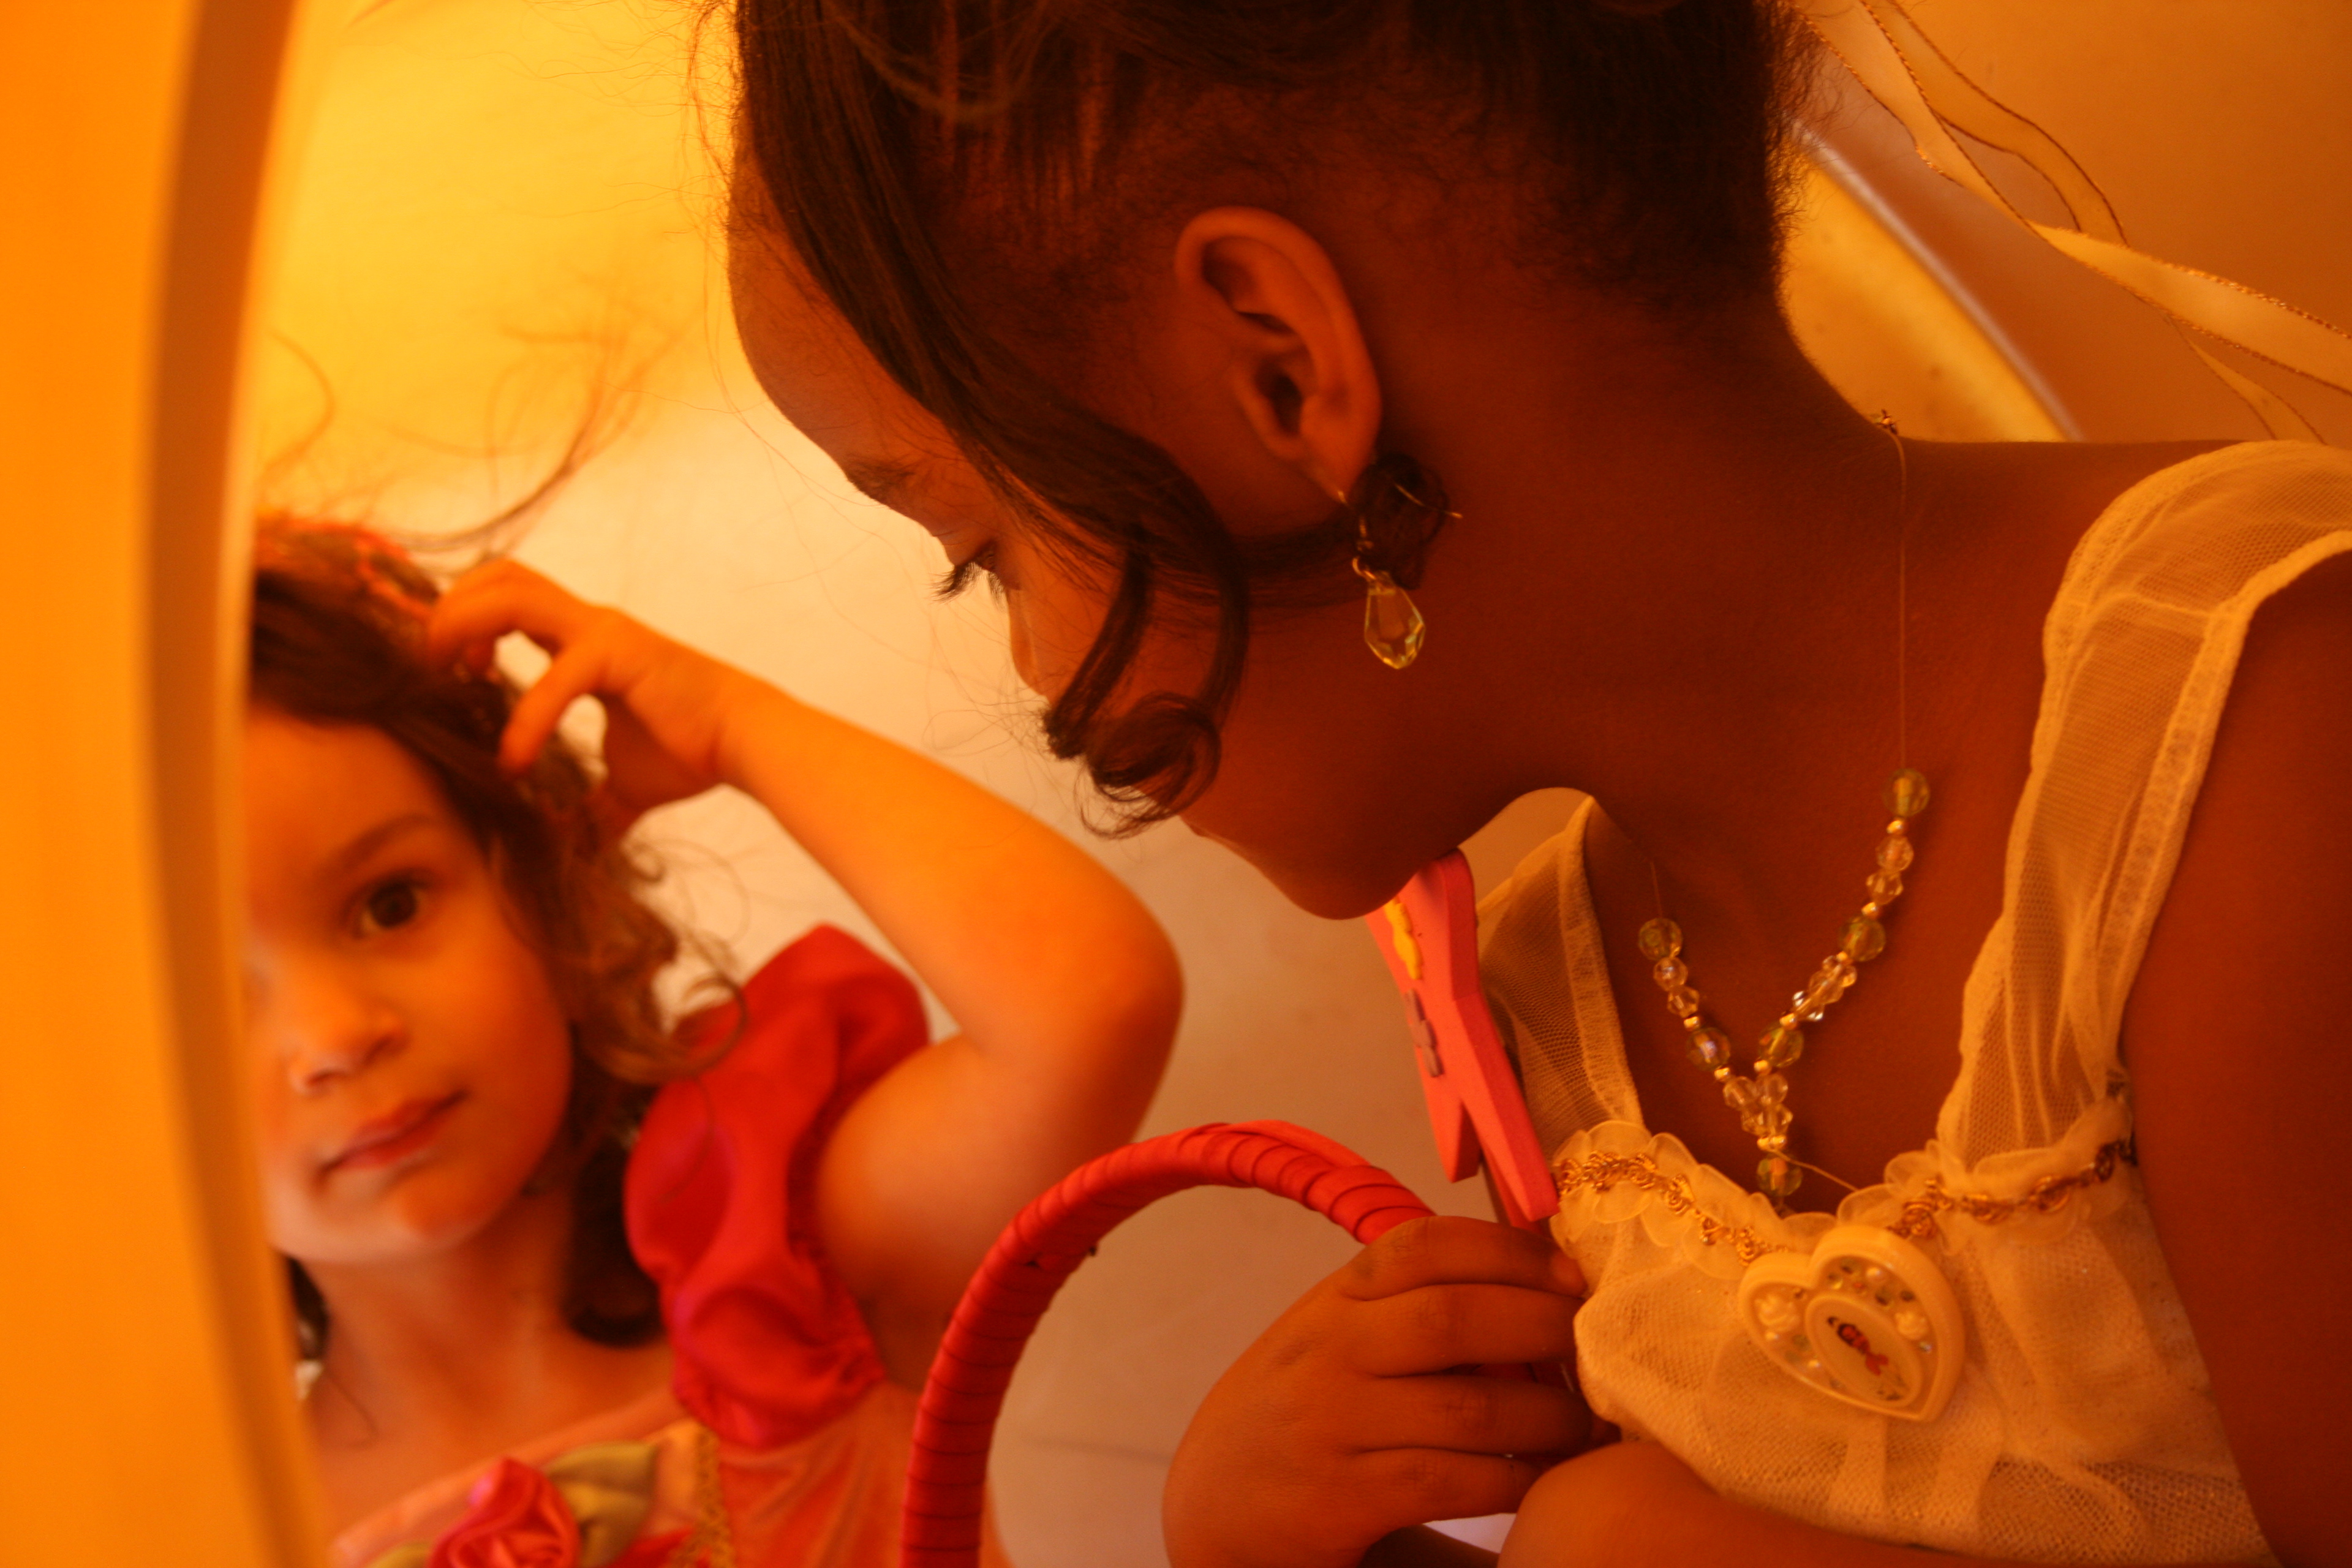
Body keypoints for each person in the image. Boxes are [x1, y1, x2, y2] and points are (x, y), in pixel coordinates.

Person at [716, 1, 2352, 1566]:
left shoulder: (2243, 725)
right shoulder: (1557, 1008)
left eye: (979, 548)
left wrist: (1617, 1541)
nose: (1026, 666)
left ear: (1278, 365)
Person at [244, 523, 1181, 1566]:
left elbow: (1093, 1006)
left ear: (547, 884)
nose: (335, 1036)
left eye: (391, 903)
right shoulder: (204, 1528)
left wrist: (734, 727)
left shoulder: (781, 1255)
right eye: (210, 1003)